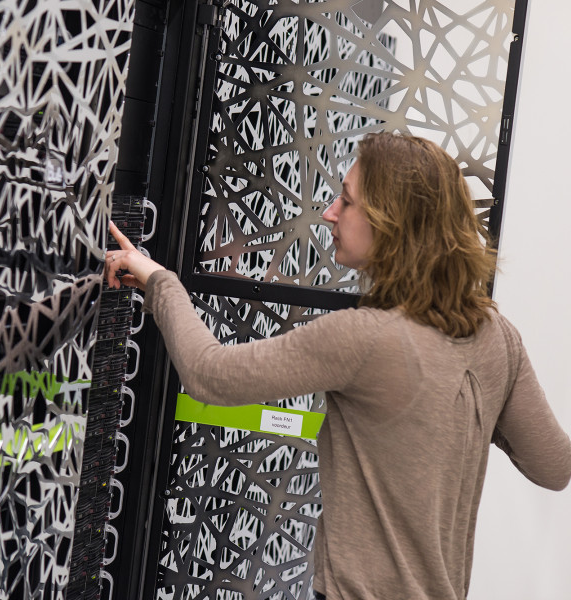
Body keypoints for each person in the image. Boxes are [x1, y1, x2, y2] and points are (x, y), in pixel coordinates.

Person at [103, 132, 571, 600]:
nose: (328, 211)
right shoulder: (496, 336)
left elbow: (209, 375)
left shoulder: (365, 339)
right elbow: (554, 467)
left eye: (346, 201)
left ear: (392, 226)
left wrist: (159, 281)